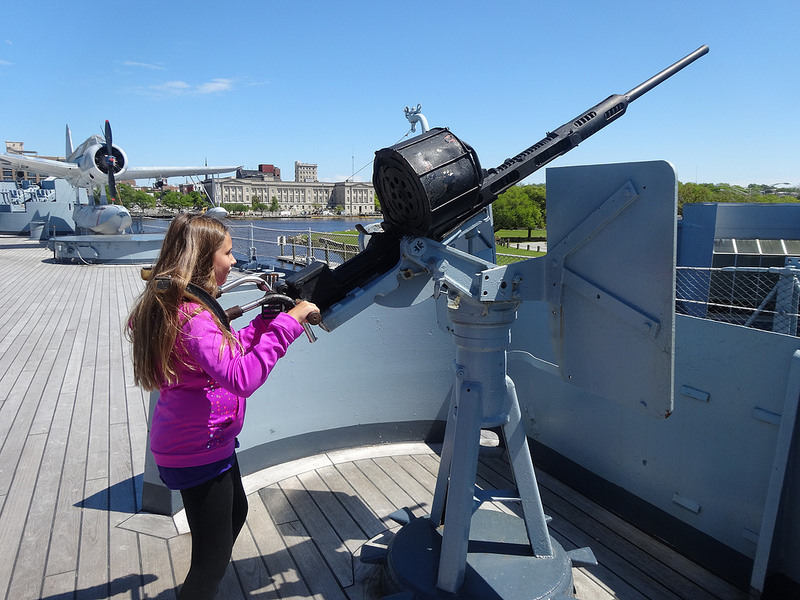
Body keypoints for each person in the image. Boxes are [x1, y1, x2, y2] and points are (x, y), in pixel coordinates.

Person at [126, 213, 319, 599]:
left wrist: (265, 324)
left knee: (236, 513)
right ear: (202, 258)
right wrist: (290, 323)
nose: (234, 261)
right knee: (210, 563)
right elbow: (241, 377)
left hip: (208, 443)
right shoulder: (194, 318)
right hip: (196, 450)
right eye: (227, 253)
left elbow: (221, 353)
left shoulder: (183, 308)